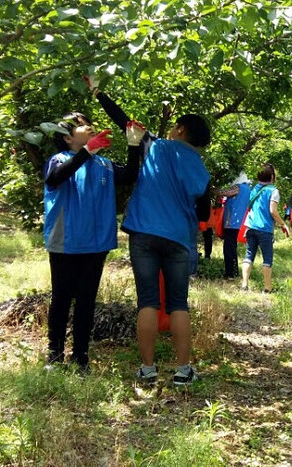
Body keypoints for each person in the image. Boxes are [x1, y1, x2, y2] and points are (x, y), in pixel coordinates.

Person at [87, 77, 211, 386]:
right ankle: (183, 371)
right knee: (179, 303)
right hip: (179, 238)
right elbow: (205, 212)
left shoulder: (154, 145)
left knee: (148, 302)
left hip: (144, 233)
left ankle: (147, 370)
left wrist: (98, 91)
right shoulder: (200, 167)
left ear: (180, 129)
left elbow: (122, 120)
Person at [43, 112, 141, 373]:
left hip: (96, 244)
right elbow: (55, 178)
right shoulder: (58, 159)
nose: (89, 126)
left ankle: (81, 356)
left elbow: (130, 175)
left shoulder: (103, 165)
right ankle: (54, 354)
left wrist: (133, 144)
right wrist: (86, 151)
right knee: (62, 297)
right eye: (81, 126)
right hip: (65, 242)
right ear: (67, 138)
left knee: (87, 300)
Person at [241, 163, 290, 293]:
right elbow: (273, 211)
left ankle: (244, 285)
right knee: (267, 258)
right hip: (264, 229)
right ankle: (267, 288)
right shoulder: (273, 191)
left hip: (250, 227)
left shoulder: (255, 188)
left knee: (249, 254)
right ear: (273, 176)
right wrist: (282, 224)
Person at [217, 172, 251, 279]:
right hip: (239, 222)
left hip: (231, 221)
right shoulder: (247, 188)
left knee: (228, 247)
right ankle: (234, 272)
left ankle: (230, 273)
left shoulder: (238, 187)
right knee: (233, 247)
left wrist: (211, 189)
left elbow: (225, 192)